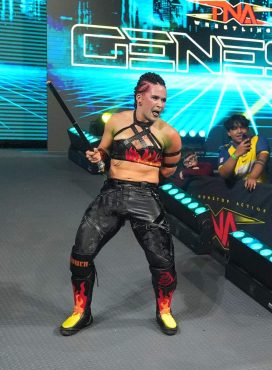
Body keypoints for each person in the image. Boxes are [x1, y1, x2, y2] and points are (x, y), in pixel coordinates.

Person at [60, 72, 182, 336]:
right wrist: (98, 156)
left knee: (163, 262)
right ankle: (81, 312)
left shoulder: (170, 135)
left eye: (163, 99)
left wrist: (144, 178)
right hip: (112, 194)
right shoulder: (116, 121)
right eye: (155, 98)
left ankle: (164, 311)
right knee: (80, 255)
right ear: (140, 97)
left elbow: (168, 171)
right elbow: (103, 150)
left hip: (146, 197)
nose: (160, 104)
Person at [217, 114, 270, 191]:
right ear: (229, 133)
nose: (239, 131)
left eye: (242, 127)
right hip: (237, 192)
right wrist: (236, 154)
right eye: (234, 128)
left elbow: (262, 159)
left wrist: (252, 177)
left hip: (260, 189)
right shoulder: (225, 150)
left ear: (247, 129)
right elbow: (224, 174)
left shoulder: (258, 140)